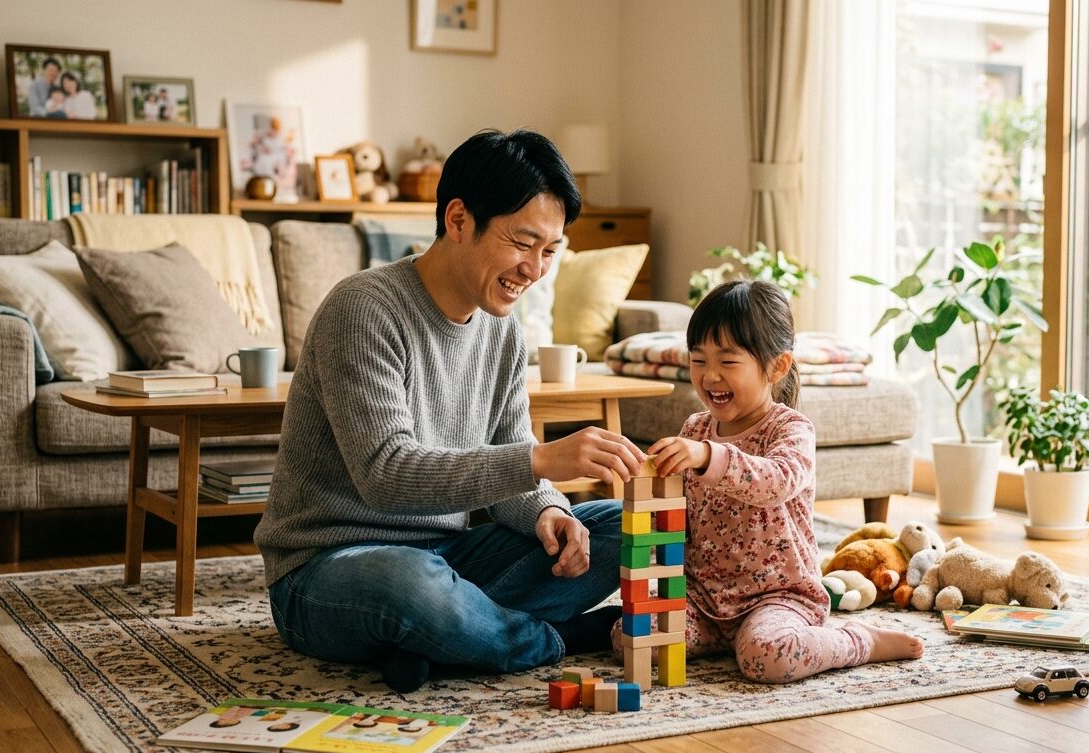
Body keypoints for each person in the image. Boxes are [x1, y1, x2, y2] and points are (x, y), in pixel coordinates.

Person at [255, 129, 645, 693]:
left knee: (621, 528)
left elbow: (507, 469)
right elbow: (385, 475)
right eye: (522, 243)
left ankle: (439, 639)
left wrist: (547, 514)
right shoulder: (362, 309)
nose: (534, 270)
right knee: (409, 584)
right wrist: (539, 459)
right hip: (332, 566)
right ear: (458, 220)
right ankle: (554, 638)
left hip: (452, 556)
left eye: (550, 251)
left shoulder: (504, 333)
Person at [614, 280, 925, 684]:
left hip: (778, 597)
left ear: (776, 366)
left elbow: (776, 481)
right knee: (629, 636)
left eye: (728, 363)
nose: (710, 377)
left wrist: (709, 455)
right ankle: (730, 638)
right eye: (698, 361)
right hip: (704, 598)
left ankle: (859, 640)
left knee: (769, 658)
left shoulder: (790, 429)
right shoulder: (695, 428)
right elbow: (677, 512)